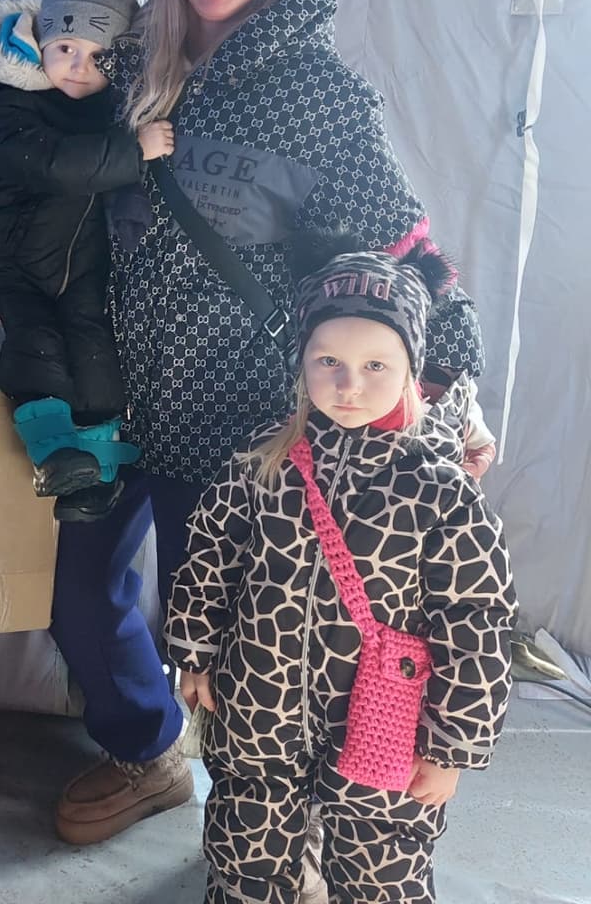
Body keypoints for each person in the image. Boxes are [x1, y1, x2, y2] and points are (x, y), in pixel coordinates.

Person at [47, 0, 491, 851]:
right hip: (113, 396)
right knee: (82, 605)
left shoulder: (321, 97)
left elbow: (404, 249)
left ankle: (260, 820)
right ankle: (141, 747)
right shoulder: (128, 63)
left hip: (247, 414)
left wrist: (455, 383)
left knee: (247, 640)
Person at [168, 238, 515, 902]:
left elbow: (478, 622)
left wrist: (452, 745)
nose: (349, 385)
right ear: (302, 362)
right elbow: (210, 553)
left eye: (375, 364)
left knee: (382, 859)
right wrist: (195, 652)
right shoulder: (262, 461)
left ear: (411, 368)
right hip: (259, 705)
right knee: (246, 842)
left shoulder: (436, 488)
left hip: (384, 719)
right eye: (329, 360)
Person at [0, 0, 173, 520]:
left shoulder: (109, 108)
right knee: (38, 344)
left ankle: (96, 471)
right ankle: (54, 452)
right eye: (66, 49)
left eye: (99, 56)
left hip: (83, 264)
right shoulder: (11, 103)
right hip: (16, 260)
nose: (79, 66)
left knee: (95, 350)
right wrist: (134, 151)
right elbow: (53, 165)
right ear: (40, 43)